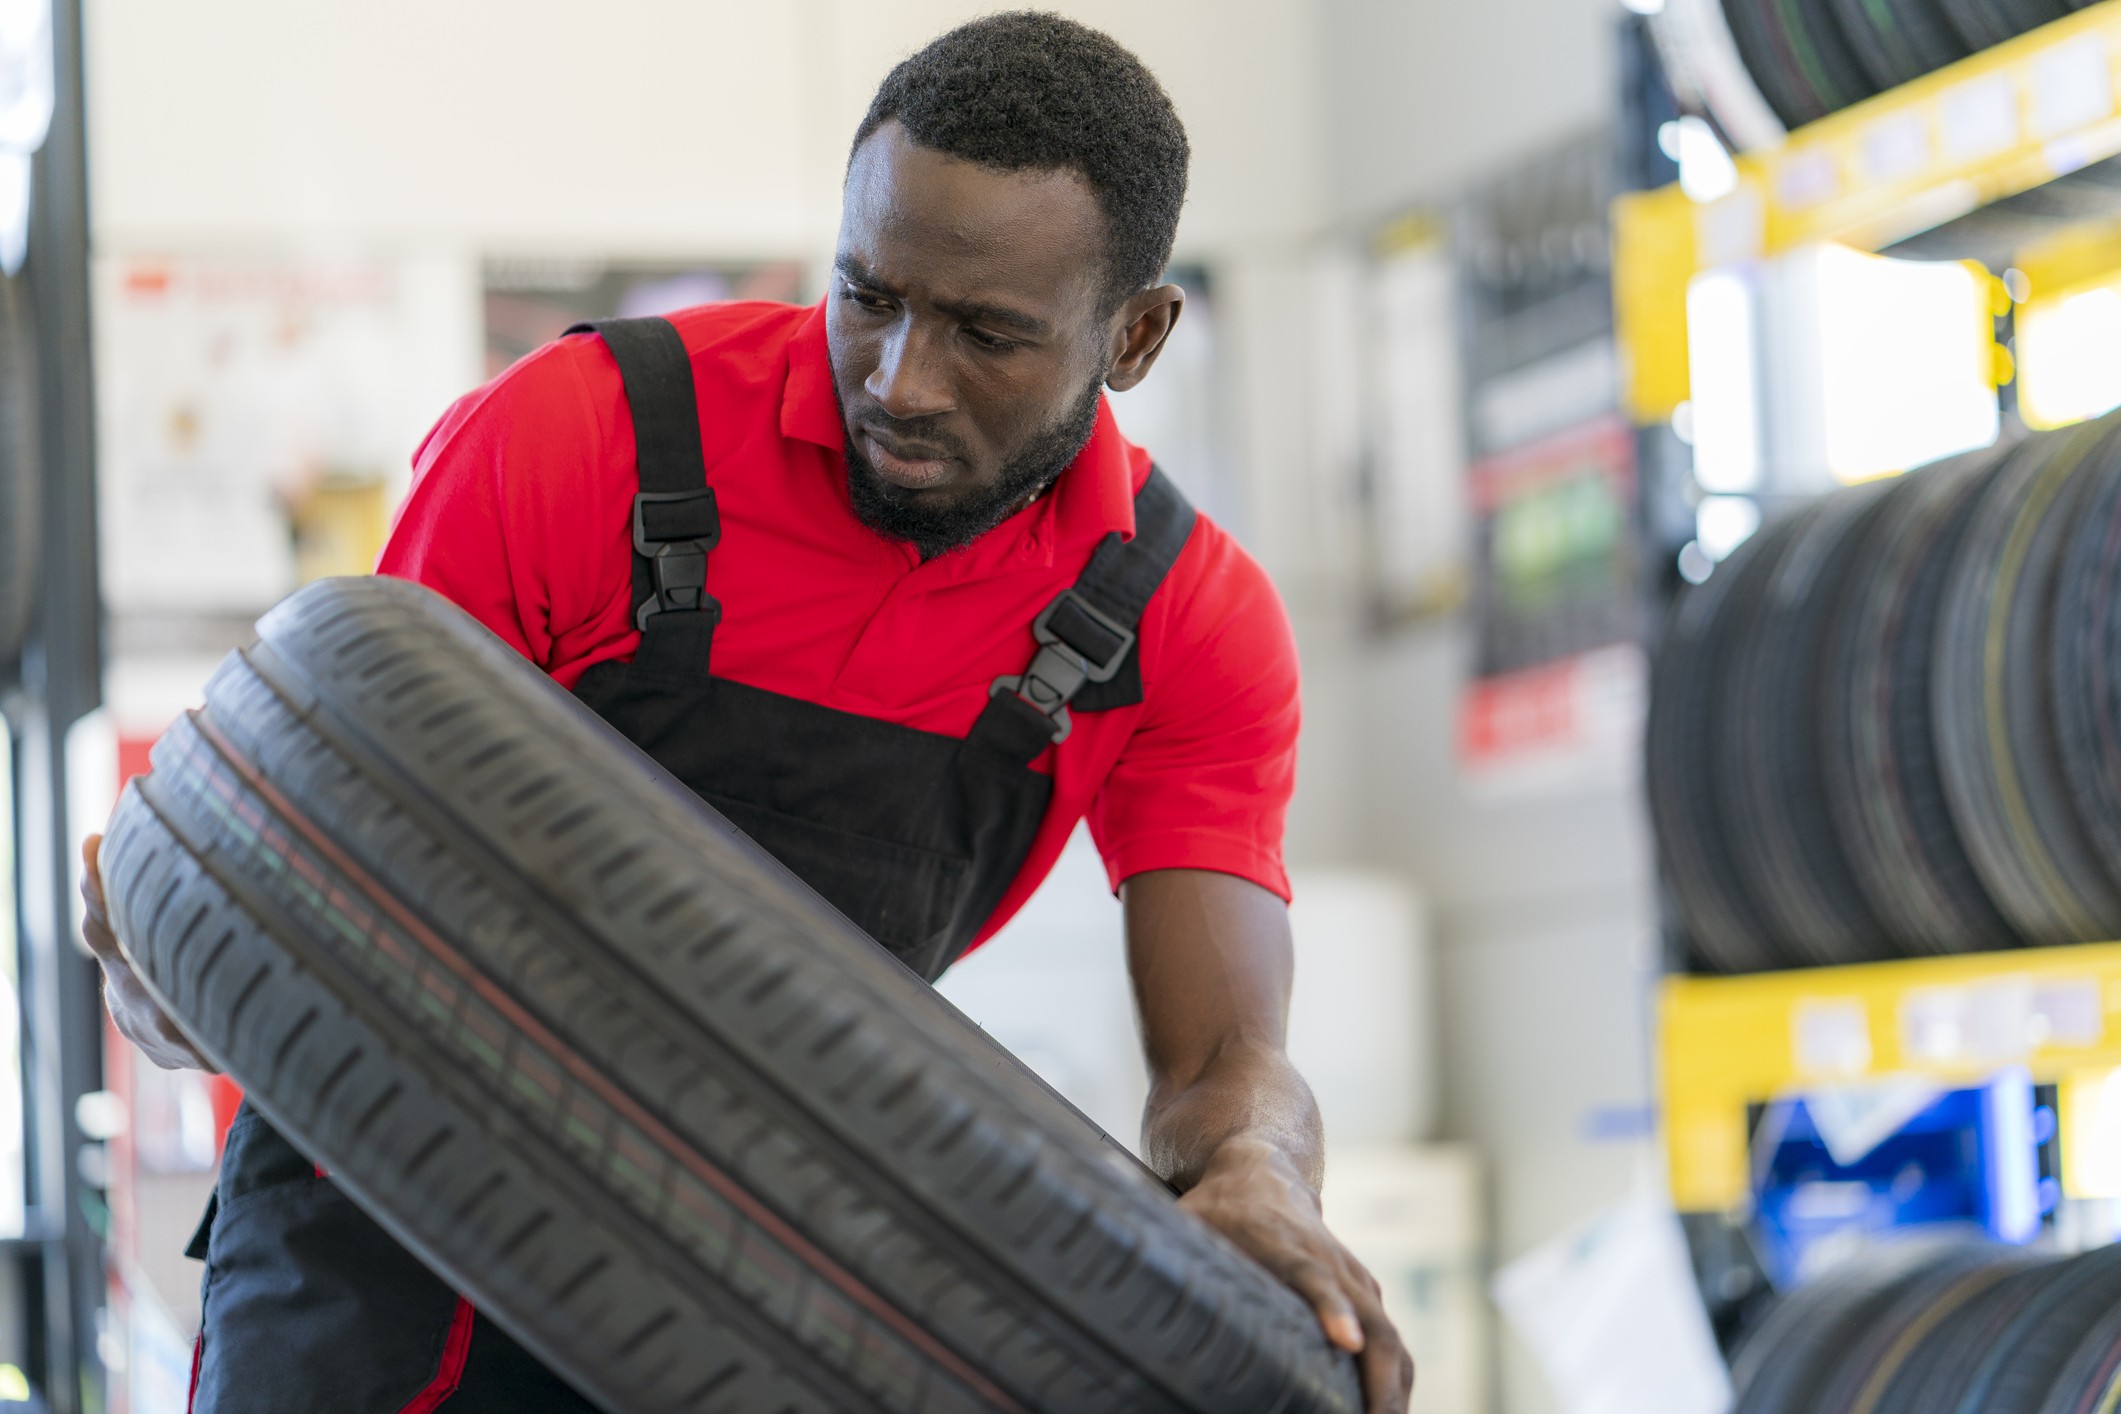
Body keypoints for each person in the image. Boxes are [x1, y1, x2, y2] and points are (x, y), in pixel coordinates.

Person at [80, 12, 1413, 1412]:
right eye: (869, 295)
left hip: (743, 1291)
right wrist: (165, 969)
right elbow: (311, 878)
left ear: (1132, 334)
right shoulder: (578, 437)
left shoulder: (1180, 619)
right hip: (381, 1248)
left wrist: (1260, 1168)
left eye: (986, 334)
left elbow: (1221, 1063)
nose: (900, 378)